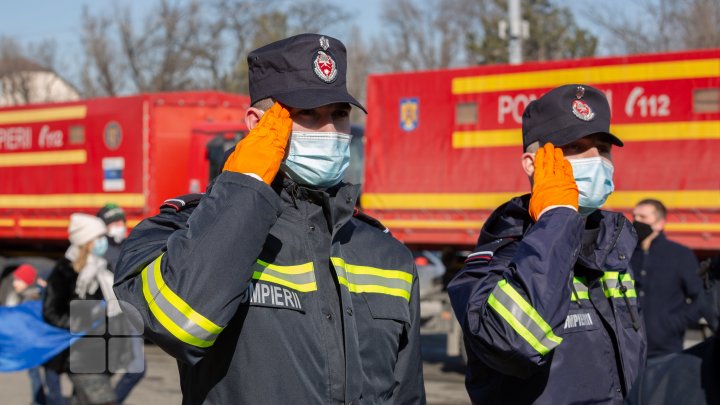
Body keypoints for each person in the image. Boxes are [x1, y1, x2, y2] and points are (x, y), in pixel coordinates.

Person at [113, 33, 425, 404]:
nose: (330, 131)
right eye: (308, 114)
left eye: (339, 114)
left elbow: (407, 395)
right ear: (257, 124)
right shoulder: (183, 231)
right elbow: (180, 325)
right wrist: (246, 183)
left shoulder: (387, 253)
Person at [448, 84, 646, 404]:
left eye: (603, 148)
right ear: (532, 164)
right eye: (576, 146)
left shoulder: (616, 248)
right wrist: (558, 218)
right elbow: (513, 343)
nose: (596, 159)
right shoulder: (502, 254)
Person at [43, 213, 117, 405]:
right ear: (86, 242)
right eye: (98, 238)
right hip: (78, 353)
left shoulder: (101, 270)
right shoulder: (65, 271)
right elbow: (50, 312)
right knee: (104, 401)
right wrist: (79, 324)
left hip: (103, 352)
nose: (104, 242)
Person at [626, 255, 720, 404]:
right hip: (643, 357)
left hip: (667, 347)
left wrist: (671, 325)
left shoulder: (678, 255)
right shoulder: (654, 382)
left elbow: (696, 298)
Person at [632, 199, 703, 358]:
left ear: (659, 223)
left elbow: (700, 297)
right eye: (634, 216)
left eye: (643, 217)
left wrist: (673, 324)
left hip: (666, 350)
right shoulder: (625, 254)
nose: (636, 221)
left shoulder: (680, 255)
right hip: (630, 349)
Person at [95, 203, 145, 405]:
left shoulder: (127, 244)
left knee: (133, 370)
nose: (118, 226)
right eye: (113, 222)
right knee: (107, 369)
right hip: (111, 318)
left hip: (128, 315)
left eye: (121, 221)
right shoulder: (100, 249)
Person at [96, 203, 128, 273]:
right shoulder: (99, 249)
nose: (120, 226)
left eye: (121, 222)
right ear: (104, 226)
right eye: (115, 223)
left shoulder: (130, 246)